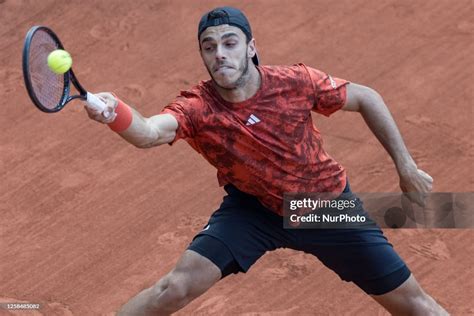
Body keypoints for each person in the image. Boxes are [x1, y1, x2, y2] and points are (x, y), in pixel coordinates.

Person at [85, 7, 448, 316]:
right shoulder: (198, 107)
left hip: (323, 206)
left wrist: (406, 167)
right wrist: (114, 111)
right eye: (209, 47)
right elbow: (149, 132)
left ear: (251, 48)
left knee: (416, 307)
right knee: (173, 290)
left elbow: (366, 97)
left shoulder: (295, 83)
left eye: (229, 43)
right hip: (254, 211)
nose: (219, 55)